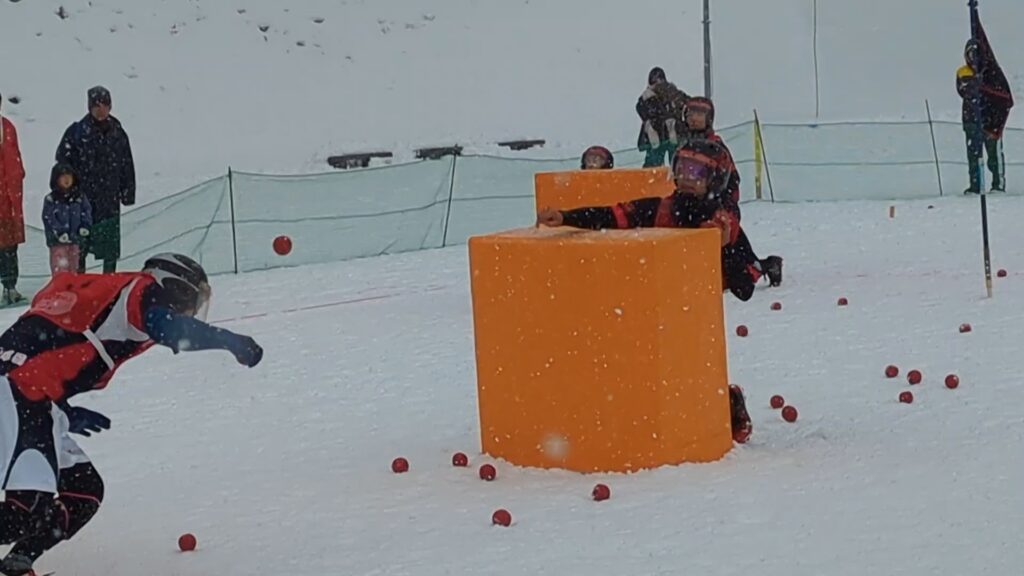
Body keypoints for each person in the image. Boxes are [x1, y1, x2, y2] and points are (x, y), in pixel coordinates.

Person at [0, 253, 263, 576]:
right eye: (193, 302)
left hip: (30, 394)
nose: (192, 311)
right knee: (25, 514)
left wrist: (63, 409)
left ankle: (19, 562)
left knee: (84, 491)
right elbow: (166, 327)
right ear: (176, 288)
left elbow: (42, 344)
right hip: (22, 393)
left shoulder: (97, 290)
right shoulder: (142, 290)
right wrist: (230, 342)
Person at [537, 140, 757, 443]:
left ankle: (729, 404)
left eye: (696, 172)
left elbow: (746, 286)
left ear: (715, 179)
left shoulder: (724, 221)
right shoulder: (658, 207)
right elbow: (612, 216)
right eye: (682, 169)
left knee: (695, 372)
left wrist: (724, 247)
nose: (687, 177)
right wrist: (566, 217)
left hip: (695, 313)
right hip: (653, 308)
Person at [680, 96, 783, 288]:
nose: (694, 118)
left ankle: (768, 266)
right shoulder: (684, 145)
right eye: (691, 113)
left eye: (700, 114)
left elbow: (731, 180)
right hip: (696, 207)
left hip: (718, 208)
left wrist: (723, 207)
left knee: (737, 268)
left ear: (709, 119)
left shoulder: (715, 146)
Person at [56, 86, 135, 273]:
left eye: (105, 105)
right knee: (80, 247)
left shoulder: (118, 133)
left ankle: (109, 279)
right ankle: (80, 280)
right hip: (83, 200)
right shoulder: (76, 133)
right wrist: (67, 191)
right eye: (97, 105)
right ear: (89, 107)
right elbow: (62, 163)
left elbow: (127, 164)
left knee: (109, 248)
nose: (101, 110)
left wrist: (128, 191)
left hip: (110, 199)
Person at [957, 32, 1014, 194]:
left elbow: (1002, 94)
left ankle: (998, 184)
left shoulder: (991, 72)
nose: (973, 57)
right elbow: (963, 91)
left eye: (976, 53)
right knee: (974, 156)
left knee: (994, 154)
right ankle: (975, 186)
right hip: (971, 119)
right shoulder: (963, 72)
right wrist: (976, 85)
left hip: (991, 120)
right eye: (970, 54)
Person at [42, 163, 93, 277]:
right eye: (63, 176)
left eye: (69, 176)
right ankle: (61, 286)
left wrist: (85, 225)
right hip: (58, 243)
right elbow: (49, 218)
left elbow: (87, 210)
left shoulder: (79, 197)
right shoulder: (51, 199)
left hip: (75, 241)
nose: (66, 180)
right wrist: (59, 231)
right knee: (60, 269)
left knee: (75, 268)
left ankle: (74, 285)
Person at [0, 94, 27, 305]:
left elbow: (15, 156)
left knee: (10, 247)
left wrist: (18, 176)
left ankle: (10, 287)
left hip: (9, 198)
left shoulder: (7, 127)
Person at [636, 67, 689, 168]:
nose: (658, 83)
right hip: (658, 136)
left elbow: (689, 104)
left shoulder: (673, 94)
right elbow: (642, 110)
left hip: (668, 136)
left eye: (660, 79)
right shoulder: (647, 98)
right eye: (655, 80)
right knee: (657, 163)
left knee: (675, 164)